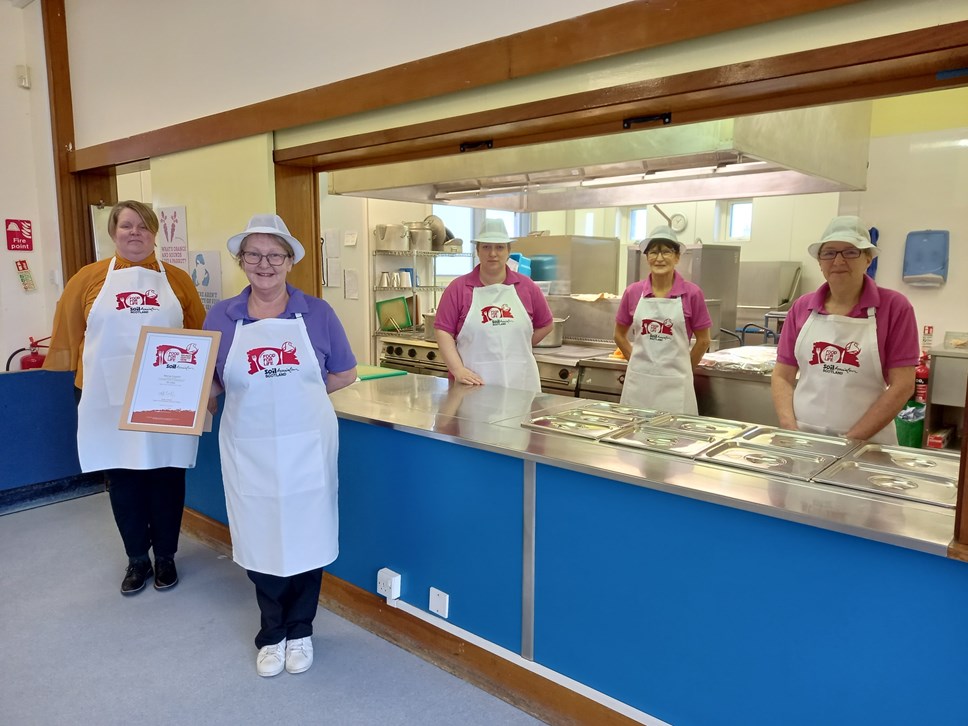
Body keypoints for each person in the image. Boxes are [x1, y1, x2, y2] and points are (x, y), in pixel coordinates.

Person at [203, 214, 357, 678]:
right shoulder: (221, 316)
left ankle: (301, 630)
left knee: (307, 535)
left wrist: (297, 402)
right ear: (241, 261)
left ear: (290, 261)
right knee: (259, 533)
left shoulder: (318, 313)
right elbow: (207, 383)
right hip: (249, 448)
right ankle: (271, 633)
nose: (264, 264)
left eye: (275, 255)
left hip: (307, 446)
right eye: (254, 254)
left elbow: (344, 373)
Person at [44, 200, 206, 595]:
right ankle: (136, 560)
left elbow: (200, 334)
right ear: (114, 233)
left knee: (167, 474)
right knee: (123, 476)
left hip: (166, 392)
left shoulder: (178, 280)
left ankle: (165, 556)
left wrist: (205, 387)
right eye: (126, 226)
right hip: (105, 393)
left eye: (143, 227)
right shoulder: (89, 278)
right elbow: (68, 332)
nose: (135, 233)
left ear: (155, 233)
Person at [771, 215, 918, 444]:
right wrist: (790, 429)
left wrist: (850, 441)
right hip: (804, 441)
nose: (838, 261)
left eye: (850, 252)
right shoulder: (802, 307)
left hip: (867, 446)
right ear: (819, 262)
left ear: (868, 259)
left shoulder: (894, 307)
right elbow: (782, 375)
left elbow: (903, 385)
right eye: (829, 253)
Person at [434, 219, 554, 391]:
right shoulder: (458, 288)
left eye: (499, 247)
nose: (493, 253)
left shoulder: (527, 287)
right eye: (486, 247)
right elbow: (443, 331)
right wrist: (458, 370)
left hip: (520, 385)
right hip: (474, 385)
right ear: (477, 250)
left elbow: (546, 325)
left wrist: (519, 345)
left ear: (508, 251)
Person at [613, 225, 711, 413]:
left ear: (677, 257)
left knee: (674, 440)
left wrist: (684, 369)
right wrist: (635, 362)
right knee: (634, 437)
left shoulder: (692, 294)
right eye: (654, 252)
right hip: (639, 384)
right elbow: (619, 335)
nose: (659, 258)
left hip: (675, 388)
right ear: (647, 257)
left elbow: (704, 340)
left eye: (666, 252)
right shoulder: (633, 292)